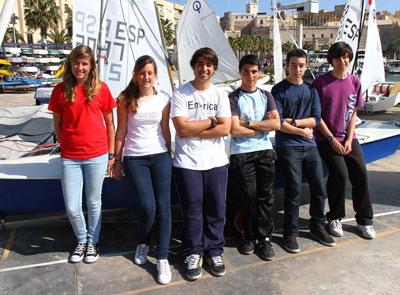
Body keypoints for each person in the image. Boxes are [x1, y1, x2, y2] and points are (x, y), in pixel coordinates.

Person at [48, 45, 116, 263]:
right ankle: (82, 239)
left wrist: (112, 154)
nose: (80, 67)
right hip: (70, 157)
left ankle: (92, 244)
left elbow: (110, 124)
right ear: (71, 64)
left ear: (91, 66)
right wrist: (66, 144)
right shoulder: (60, 90)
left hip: (96, 155)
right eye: (76, 62)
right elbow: (57, 124)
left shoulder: (101, 89)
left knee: (94, 202)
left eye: (84, 63)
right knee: (72, 206)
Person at [171, 47, 231, 280]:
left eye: (208, 64)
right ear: (193, 66)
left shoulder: (220, 94)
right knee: (193, 211)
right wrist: (211, 122)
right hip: (187, 162)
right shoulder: (181, 94)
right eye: (199, 64)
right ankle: (193, 252)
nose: (204, 69)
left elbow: (225, 128)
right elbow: (181, 128)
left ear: (214, 68)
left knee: (216, 208)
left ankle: (214, 250)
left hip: (216, 161)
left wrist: (195, 129)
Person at [112, 55, 172, 285]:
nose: (146, 77)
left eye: (150, 73)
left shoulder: (164, 99)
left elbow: (165, 129)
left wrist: (169, 152)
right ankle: (142, 243)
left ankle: (163, 258)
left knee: (164, 208)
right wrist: (116, 160)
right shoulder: (126, 99)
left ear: (155, 76)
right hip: (135, 157)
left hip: (160, 156)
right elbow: (121, 133)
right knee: (148, 208)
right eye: (142, 73)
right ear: (136, 75)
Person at [272, 49, 336, 254]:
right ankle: (290, 232)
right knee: (293, 190)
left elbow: (316, 119)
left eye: (301, 65)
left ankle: (317, 225)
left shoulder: (311, 91)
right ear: (287, 65)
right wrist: (302, 131)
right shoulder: (278, 90)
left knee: (319, 187)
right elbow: (278, 123)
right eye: (293, 65)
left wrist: (296, 122)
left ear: (306, 66)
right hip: (288, 146)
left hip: (310, 146)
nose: (297, 69)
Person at [313, 42, 375, 239]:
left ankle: (365, 220)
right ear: (331, 60)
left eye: (346, 57)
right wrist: (331, 139)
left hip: (348, 137)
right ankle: (334, 217)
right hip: (325, 138)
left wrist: (349, 139)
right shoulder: (321, 83)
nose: (343, 61)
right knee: (340, 174)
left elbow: (353, 113)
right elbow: (317, 117)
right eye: (338, 57)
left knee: (361, 174)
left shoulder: (355, 82)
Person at [228, 54, 280, 260]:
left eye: (254, 71)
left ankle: (264, 237)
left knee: (265, 195)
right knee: (248, 196)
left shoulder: (267, 96)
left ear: (259, 73)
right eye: (246, 71)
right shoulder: (233, 98)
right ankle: (248, 235)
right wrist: (262, 126)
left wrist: (248, 124)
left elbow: (276, 124)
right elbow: (234, 130)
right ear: (240, 73)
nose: (250, 75)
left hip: (265, 151)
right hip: (242, 153)